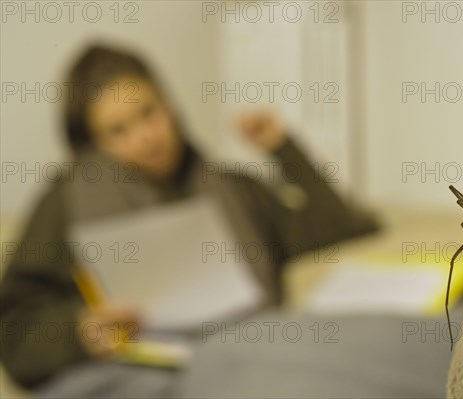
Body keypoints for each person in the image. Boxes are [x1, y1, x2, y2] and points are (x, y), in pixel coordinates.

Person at [0, 44, 379, 389]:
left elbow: (343, 228)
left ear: (169, 105)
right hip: (137, 374)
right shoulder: (66, 201)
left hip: (250, 359)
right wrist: (78, 331)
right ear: (94, 144)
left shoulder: (232, 187)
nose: (145, 137)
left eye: (149, 113)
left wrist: (283, 149)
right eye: (119, 131)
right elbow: (14, 329)